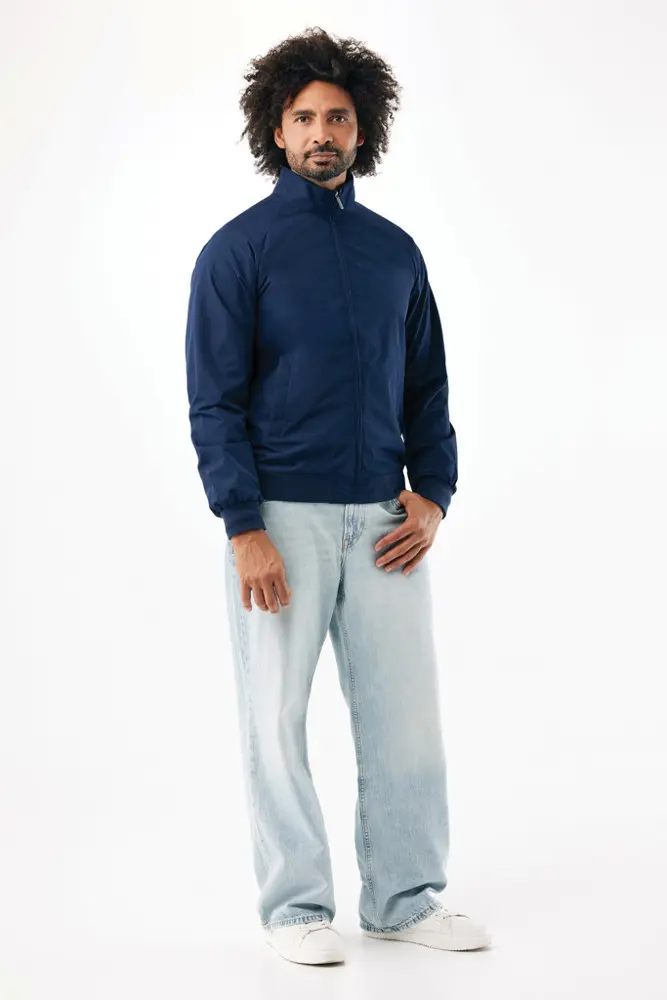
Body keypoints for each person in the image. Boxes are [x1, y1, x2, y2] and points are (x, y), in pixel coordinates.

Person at [185, 26, 491, 965]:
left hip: (386, 521)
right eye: (306, 117)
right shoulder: (237, 251)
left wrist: (432, 492)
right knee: (275, 719)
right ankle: (294, 908)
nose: (323, 132)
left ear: (364, 131)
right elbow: (213, 400)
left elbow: (427, 387)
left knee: (407, 719)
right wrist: (243, 525)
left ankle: (403, 897)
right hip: (280, 519)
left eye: (340, 117)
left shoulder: (394, 253)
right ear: (276, 131)